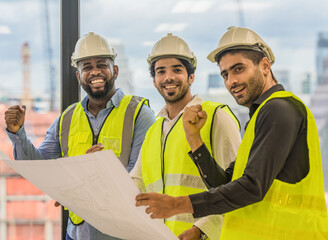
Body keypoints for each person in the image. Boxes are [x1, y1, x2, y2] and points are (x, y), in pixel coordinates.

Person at [135, 26, 328, 239]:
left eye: (238, 69)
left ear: (264, 66)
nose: (231, 82)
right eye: (225, 74)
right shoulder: (260, 117)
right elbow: (226, 186)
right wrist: (194, 138)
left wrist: (179, 204)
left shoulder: (279, 109)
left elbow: (252, 187)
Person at [5, 32, 156, 240]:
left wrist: (84, 178)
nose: (95, 72)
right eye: (86, 67)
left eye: (102, 64)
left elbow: (139, 179)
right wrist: (17, 134)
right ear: (78, 76)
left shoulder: (139, 113)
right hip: (76, 234)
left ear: (116, 70)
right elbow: (39, 168)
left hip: (122, 234)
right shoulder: (67, 118)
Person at [130, 33, 241, 240]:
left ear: (191, 77)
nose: (168, 77)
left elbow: (237, 190)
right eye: (160, 71)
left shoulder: (215, 116)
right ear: (154, 81)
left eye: (177, 70)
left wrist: (202, 230)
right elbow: (134, 187)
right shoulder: (154, 131)